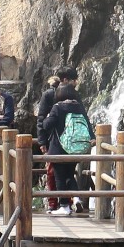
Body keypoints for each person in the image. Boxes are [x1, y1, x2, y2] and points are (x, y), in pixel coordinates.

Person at [39, 79, 94, 215]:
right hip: (75, 148)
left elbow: (47, 125)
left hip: (59, 148)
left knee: (60, 177)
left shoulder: (58, 107)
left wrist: (46, 118)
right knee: (70, 174)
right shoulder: (79, 107)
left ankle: (64, 206)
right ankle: (75, 199)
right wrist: (92, 138)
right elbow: (87, 123)